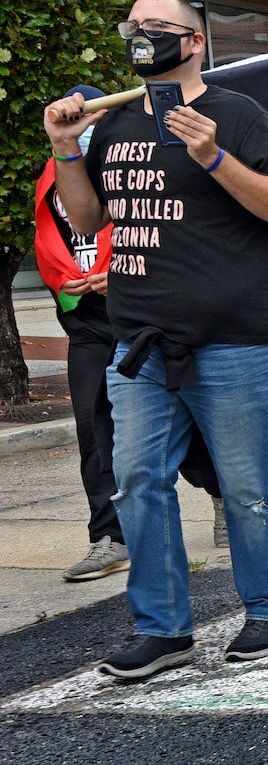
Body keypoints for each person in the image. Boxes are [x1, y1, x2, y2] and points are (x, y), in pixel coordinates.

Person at [43, 0, 268, 680]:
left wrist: (213, 156)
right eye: (133, 26)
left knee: (246, 485)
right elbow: (89, 219)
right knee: (137, 482)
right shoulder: (115, 122)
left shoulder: (237, 115)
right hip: (140, 340)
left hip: (234, 337)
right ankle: (162, 628)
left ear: (194, 41)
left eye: (157, 27)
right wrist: (66, 149)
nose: (141, 35)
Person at [33, 87, 128, 583]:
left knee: (190, 420)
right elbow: (49, 243)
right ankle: (110, 537)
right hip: (88, 324)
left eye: (89, 118)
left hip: (146, 318)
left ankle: (218, 494)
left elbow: (170, 240)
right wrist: (62, 282)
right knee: (94, 431)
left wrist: (128, 274)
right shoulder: (51, 180)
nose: (82, 128)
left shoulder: (133, 170)